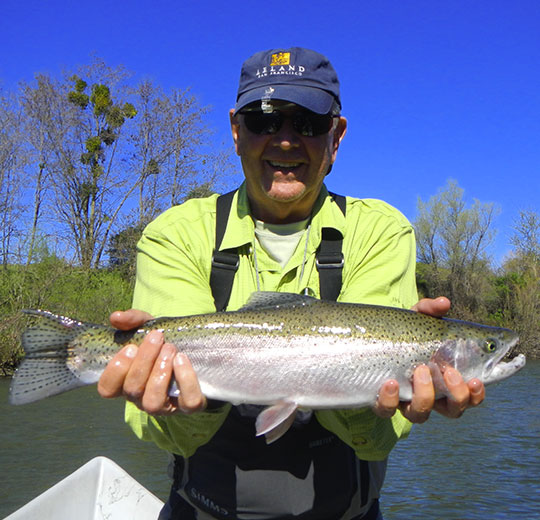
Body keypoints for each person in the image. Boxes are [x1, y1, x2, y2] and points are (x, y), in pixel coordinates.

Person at [98, 47, 485, 519]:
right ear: (237, 133)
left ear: (336, 137)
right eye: (264, 121)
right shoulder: (176, 234)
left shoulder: (381, 231)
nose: (284, 140)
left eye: (307, 122)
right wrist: (178, 408)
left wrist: (380, 400)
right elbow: (155, 426)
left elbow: (377, 440)